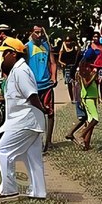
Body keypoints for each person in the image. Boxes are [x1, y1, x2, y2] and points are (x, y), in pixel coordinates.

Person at [0, 37, 47, 201]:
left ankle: (9, 190)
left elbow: (31, 95)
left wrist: (42, 109)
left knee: (3, 150)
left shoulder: (21, 71)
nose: (3, 57)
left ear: (13, 54)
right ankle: (38, 192)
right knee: (32, 157)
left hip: (25, 120)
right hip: (26, 120)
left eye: (5, 53)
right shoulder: (17, 70)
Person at [25, 24, 58, 152]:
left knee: (50, 113)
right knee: (32, 113)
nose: (39, 35)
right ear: (31, 33)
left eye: (41, 33)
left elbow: (53, 63)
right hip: (33, 86)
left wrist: (54, 77)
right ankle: (32, 140)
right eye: (36, 33)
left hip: (46, 84)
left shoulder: (46, 46)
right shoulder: (27, 47)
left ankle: (48, 140)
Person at [57, 35, 79, 103]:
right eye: (66, 41)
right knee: (69, 83)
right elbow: (59, 60)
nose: (68, 43)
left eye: (69, 41)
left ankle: (76, 97)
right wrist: (63, 64)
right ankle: (72, 98)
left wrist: (76, 44)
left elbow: (79, 53)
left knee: (75, 83)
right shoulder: (62, 50)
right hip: (67, 67)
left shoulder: (74, 48)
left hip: (74, 67)